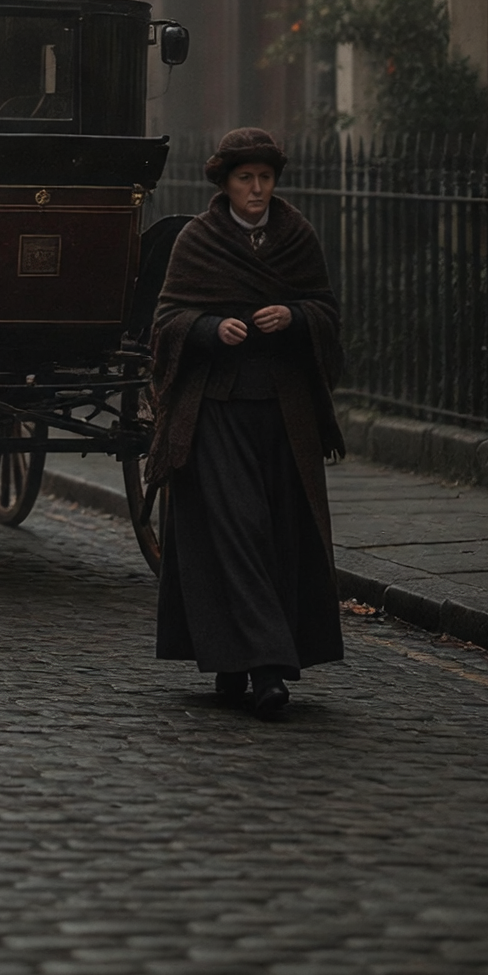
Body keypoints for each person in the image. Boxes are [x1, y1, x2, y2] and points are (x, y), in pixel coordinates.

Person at [147, 126, 347, 720]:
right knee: (238, 531)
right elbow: (165, 322)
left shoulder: (297, 236)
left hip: (284, 414)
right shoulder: (198, 241)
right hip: (215, 414)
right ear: (225, 184)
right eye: (245, 179)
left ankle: (233, 664)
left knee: (278, 533)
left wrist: (296, 315)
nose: (256, 189)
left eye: (264, 178)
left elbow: (327, 314)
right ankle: (267, 669)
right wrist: (208, 330)